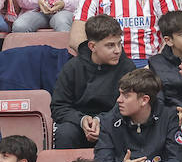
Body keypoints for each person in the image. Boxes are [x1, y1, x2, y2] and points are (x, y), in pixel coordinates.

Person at [94, 68, 182, 162]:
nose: (119, 100)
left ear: (144, 100)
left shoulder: (168, 117)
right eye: (120, 94)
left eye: (126, 96)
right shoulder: (109, 121)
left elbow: (178, 161)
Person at [50, 15, 129, 148]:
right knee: (65, 133)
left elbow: (129, 105)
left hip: (112, 121)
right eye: (110, 45)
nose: (117, 50)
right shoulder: (72, 68)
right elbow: (59, 107)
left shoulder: (127, 67)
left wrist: (101, 121)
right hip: (77, 123)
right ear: (92, 46)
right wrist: (81, 120)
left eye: (119, 43)